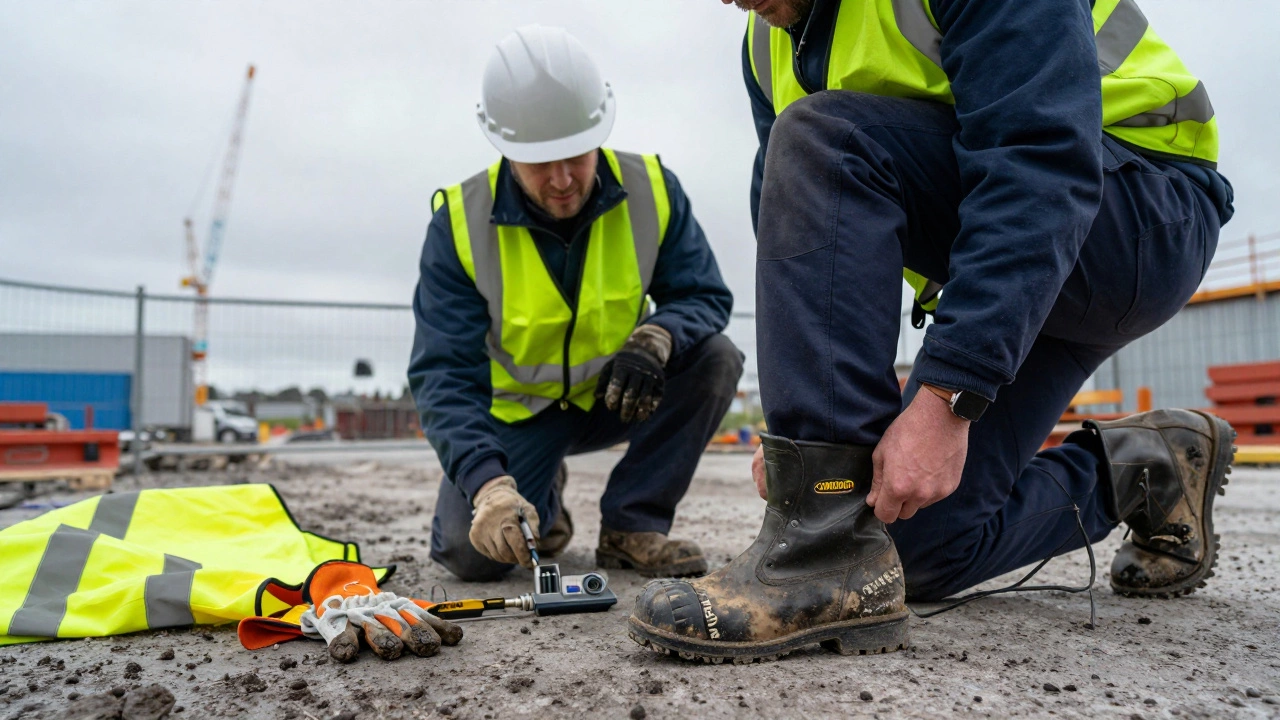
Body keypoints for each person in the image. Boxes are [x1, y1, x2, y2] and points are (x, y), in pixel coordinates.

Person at [628, 0, 1234, 662]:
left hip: (1136, 212)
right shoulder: (767, 40)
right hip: (1029, 265)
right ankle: (1146, 470)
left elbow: (1040, 160)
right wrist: (799, 430)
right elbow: (798, 219)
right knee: (902, 546)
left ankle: (821, 552)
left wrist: (949, 390)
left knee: (825, 138)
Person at [409, 25, 743, 582]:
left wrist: (655, 339)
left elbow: (702, 294)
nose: (563, 180)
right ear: (505, 147)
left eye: (576, 156)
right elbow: (444, 373)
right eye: (540, 162)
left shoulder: (653, 191)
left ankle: (633, 524)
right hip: (523, 415)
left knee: (716, 357)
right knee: (470, 556)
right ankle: (544, 492)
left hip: (620, 392)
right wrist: (490, 485)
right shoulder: (460, 225)